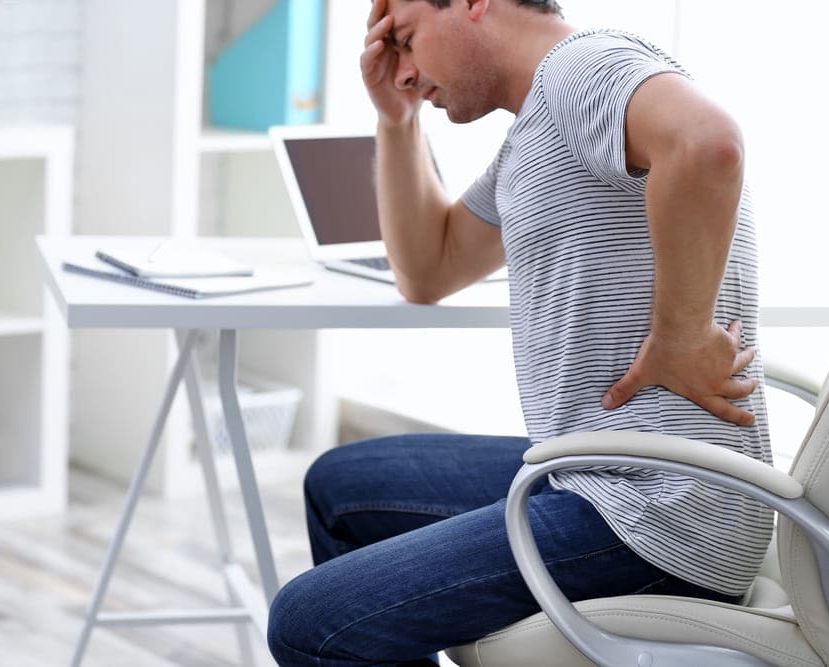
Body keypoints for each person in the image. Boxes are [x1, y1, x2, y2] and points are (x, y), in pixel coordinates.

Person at [267, 0, 772, 664]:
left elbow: (709, 143)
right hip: (599, 474)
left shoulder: (582, 68)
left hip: (658, 512)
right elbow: (428, 268)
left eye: (410, 39)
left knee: (308, 622)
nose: (408, 70)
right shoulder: (537, 131)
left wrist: (681, 333)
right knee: (341, 488)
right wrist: (397, 120)